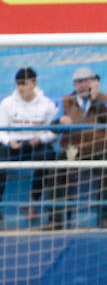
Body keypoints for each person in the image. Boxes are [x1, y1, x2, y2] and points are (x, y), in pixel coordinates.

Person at [54, 67, 107, 229]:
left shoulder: (104, 99)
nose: (83, 85)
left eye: (87, 81)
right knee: (57, 168)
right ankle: (57, 219)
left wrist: (96, 101)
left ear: (94, 83)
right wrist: (60, 121)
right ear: (74, 84)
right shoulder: (66, 101)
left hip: (97, 148)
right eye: (79, 82)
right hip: (73, 149)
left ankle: (103, 217)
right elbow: (52, 126)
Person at [0, 67, 59, 227]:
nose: (20, 88)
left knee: (48, 157)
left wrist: (41, 138)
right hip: (13, 145)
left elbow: (54, 131)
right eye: (18, 84)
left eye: (24, 84)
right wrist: (9, 141)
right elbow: (1, 130)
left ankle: (33, 202)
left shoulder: (47, 104)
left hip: (35, 144)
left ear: (33, 83)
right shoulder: (7, 103)